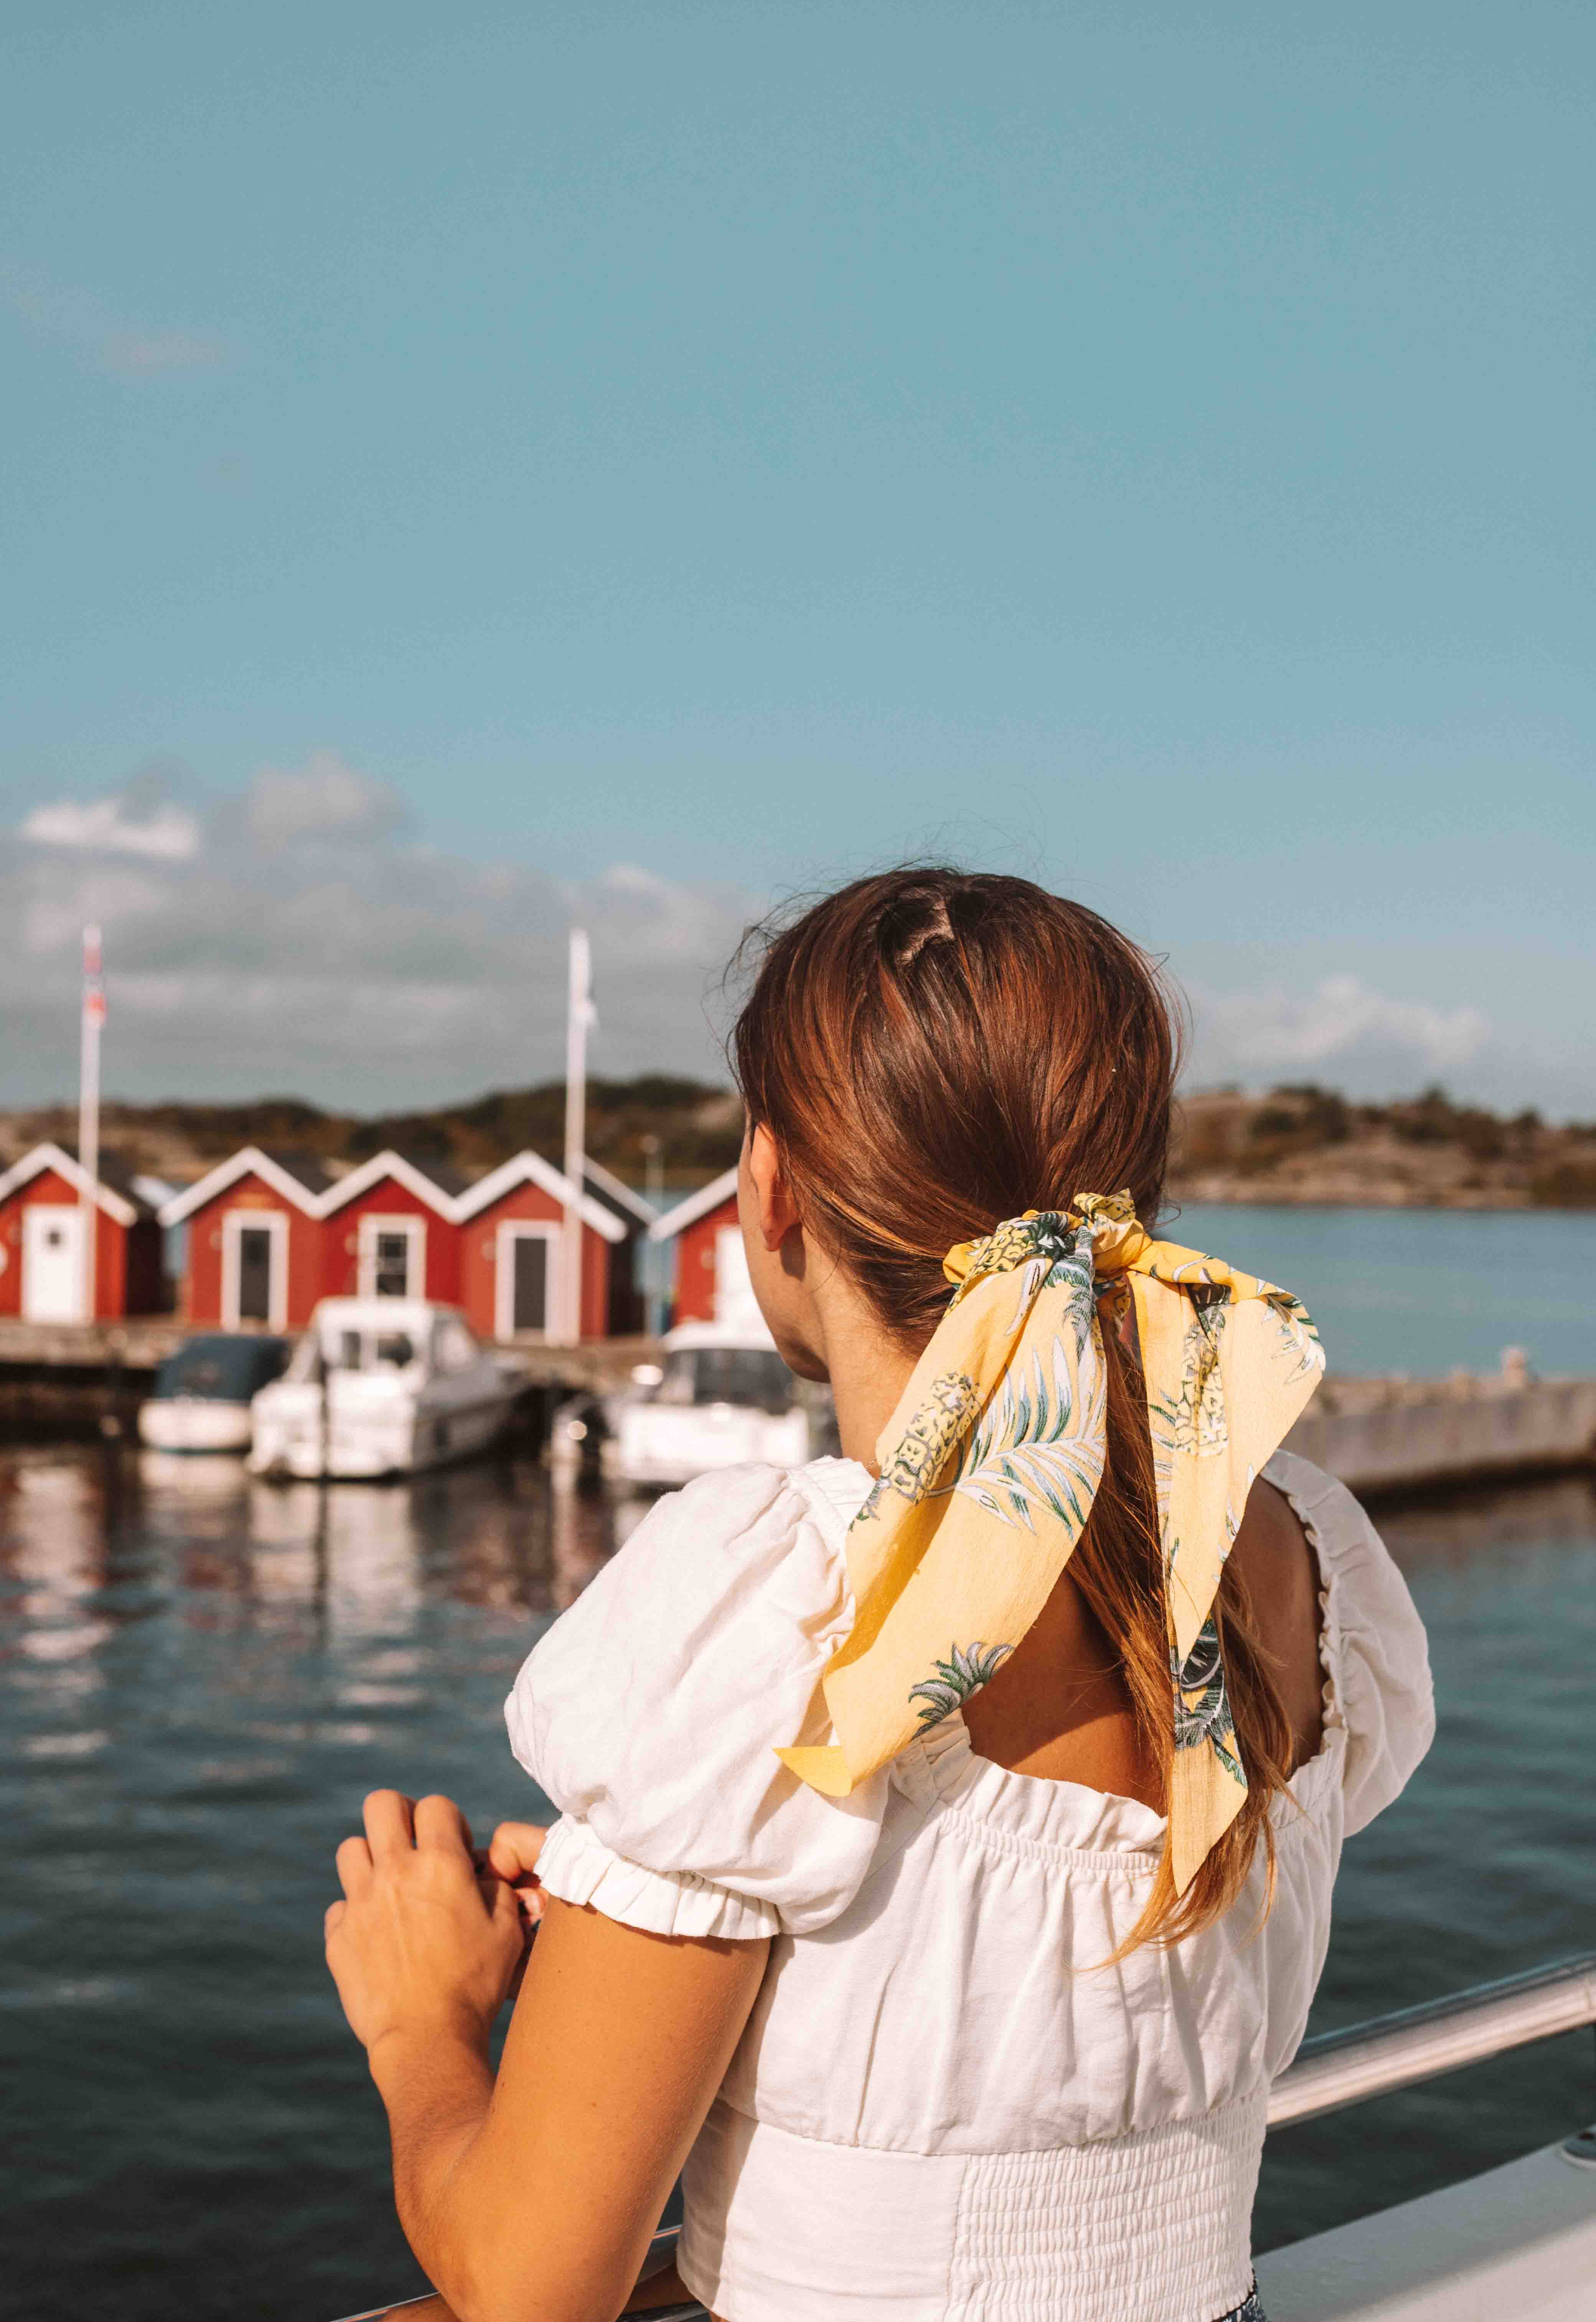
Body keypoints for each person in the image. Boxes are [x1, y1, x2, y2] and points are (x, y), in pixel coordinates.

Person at [324, 869, 1434, 2322]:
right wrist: (638, 1896)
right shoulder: (1295, 1547)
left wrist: (424, 2025)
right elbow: (979, 1976)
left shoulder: (776, 1602)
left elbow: (534, 2286)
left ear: (772, 1185)